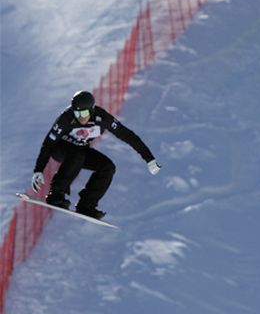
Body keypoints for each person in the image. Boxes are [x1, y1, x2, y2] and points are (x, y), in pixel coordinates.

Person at [30, 90, 162, 219]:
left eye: (84, 113)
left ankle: (86, 205)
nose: (81, 117)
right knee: (78, 153)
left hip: (80, 151)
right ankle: (56, 194)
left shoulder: (102, 118)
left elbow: (127, 135)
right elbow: (48, 143)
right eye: (77, 113)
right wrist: (39, 169)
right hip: (60, 149)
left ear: (92, 109)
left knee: (107, 167)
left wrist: (149, 159)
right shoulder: (66, 117)